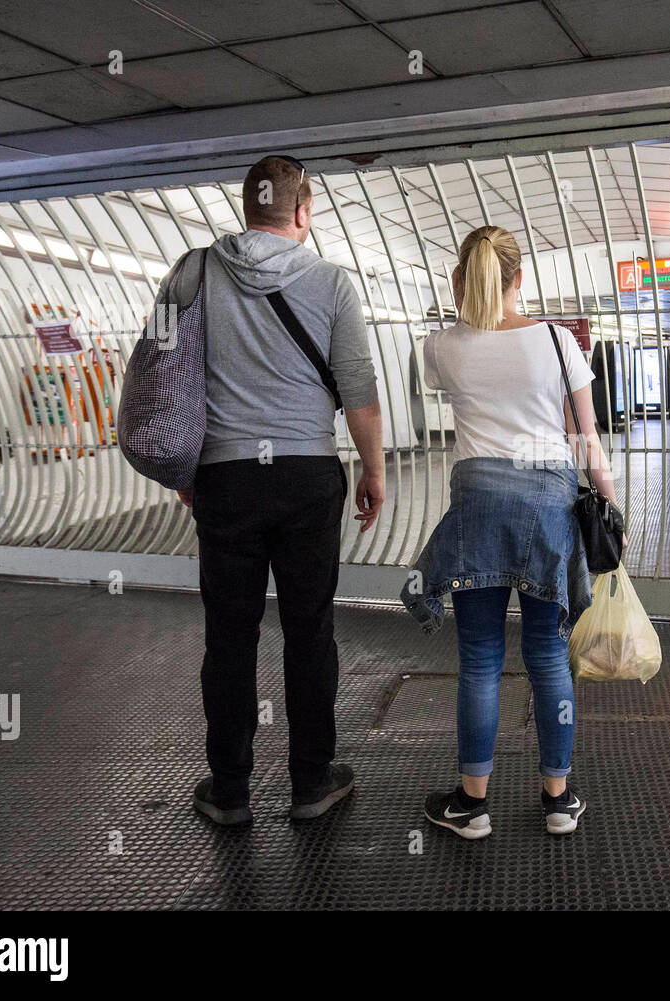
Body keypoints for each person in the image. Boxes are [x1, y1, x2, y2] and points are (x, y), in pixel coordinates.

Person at [168, 154, 385, 826]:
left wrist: (183, 464)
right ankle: (311, 780)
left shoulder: (192, 272)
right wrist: (374, 470)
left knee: (228, 637)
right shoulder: (331, 281)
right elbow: (357, 389)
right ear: (301, 209)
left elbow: (162, 369)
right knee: (309, 631)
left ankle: (230, 789)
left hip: (224, 478)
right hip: (305, 476)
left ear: (247, 206)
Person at [401, 224, 623, 839]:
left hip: (478, 504)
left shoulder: (440, 347)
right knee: (549, 654)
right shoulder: (557, 342)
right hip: (548, 503)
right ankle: (558, 799)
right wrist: (610, 509)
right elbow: (587, 442)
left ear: (464, 278)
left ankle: (472, 805)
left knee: (479, 659)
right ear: (519, 278)